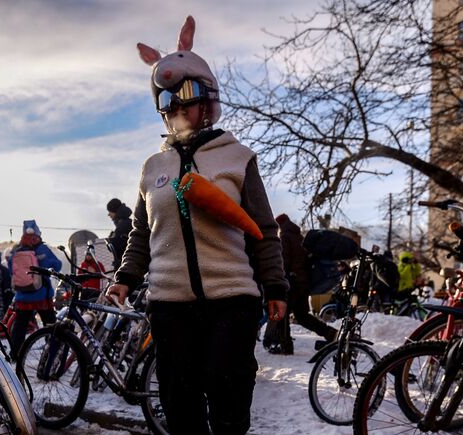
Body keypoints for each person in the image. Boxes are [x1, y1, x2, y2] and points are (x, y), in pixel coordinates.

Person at [107, 16, 288, 435]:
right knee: (180, 406)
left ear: (208, 98)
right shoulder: (153, 167)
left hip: (231, 301)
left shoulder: (237, 157)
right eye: (166, 99)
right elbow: (140, 233)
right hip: (170, 306)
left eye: (185, 94)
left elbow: (263, 229)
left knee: (228, 405)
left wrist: (275, 286)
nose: (176, 106)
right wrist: (126, 277)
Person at [264, 215, 337, 354]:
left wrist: (279, 277)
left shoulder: (285, 235)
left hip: (292, 282)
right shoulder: (299, 237)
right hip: (304, 283)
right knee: (302, 315)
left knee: (283, 314)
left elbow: (284, 260)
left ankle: (285, 346)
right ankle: (330, 333)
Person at [6, 220, 62, 357]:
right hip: (41, 294)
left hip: (22, 295)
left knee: (19, 326)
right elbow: (57, 265)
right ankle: (53, 353)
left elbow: (10, 270)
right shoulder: (42, 249)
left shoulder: (16, 250)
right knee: (50, 325)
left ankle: (15, 353)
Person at [106, 198, 133, 269]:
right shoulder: (127, 223)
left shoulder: (123, 226)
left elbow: (117, 246)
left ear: (115, 211)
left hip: (126, 266)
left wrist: (110, 241)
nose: (108, 214)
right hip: (129, 264)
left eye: (110, 211)